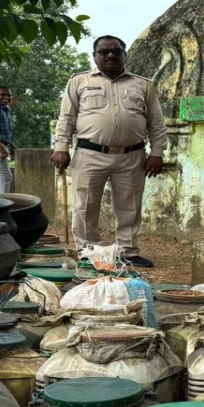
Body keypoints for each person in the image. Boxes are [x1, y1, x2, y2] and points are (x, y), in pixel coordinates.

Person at [52, 35, 166, 268]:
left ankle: (128, 251)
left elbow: (156, 121)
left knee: (130, 205)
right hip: (90, 153)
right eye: (103, 52)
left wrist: (157, 152)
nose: (110, 55)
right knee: (85, 205)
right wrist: (61, 147)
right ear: (94, 56)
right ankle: (88, 250)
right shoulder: (79, 82)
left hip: (132, 156)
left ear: (125, 55)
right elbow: (67, 118)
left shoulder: (143, 85)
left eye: (116, 51)